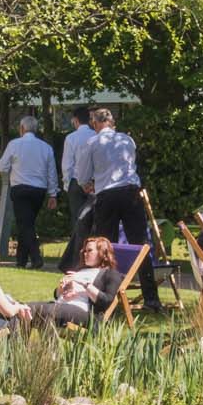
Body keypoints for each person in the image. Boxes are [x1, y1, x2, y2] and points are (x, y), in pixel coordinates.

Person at [73, 109, 159, 308]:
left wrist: (86, 184)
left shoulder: (92, 143)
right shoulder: (127, 140)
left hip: (108, 195)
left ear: (95, 124)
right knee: (141, 245)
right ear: (112, 122)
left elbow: (82, 175)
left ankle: (104, 296)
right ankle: (151, 298)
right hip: (131, 193)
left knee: (105, 247)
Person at [0, 244, 89, 335]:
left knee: (3, 319)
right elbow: (9, 311)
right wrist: (19, 307)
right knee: (17, 319)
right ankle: (13, 361)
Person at [0, 116, 58, 270]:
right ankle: (21, 260)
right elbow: (52, 173)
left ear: (22, 128)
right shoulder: (46, 147)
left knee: (25, 224)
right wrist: (53, 194)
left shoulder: (14, 144)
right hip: (39, 190)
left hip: (20, 188)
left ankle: (36, 257)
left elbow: (2, 166)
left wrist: (9, 172)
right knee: (27, 223)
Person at [51, 235, 128, 326]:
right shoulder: (80, 270)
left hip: (83, 312)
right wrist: (62, 288)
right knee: (35, 309)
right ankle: (50, 335)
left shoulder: (111, 274)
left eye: (89, 250)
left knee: (41, 311)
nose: (85, 254)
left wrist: (84, 283)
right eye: (85, 251)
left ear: (103, 253)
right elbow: (57, 295)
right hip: (61, 305)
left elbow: (106, 301)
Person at [56, 107, 97, 272]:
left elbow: (67, 164)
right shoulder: (96, 136)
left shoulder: (71, 138)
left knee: (77, 221)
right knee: (94, 220)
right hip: (94, 182)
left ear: (75, 120)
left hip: (76, 181)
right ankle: (93, 256)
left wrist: (67, 184)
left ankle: (76, 259)